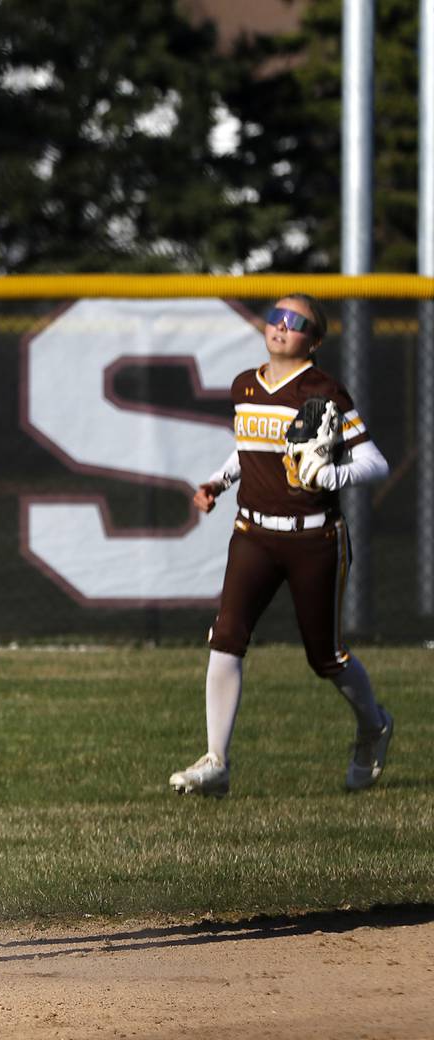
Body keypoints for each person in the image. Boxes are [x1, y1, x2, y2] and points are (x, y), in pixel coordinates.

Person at [169, 294, 392, 797]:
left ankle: (374, 726)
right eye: (275, 316)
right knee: (225, 636)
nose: (280, 326)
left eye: (295, 321)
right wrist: (218, 481)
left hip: (313, 536)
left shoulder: (323, 390)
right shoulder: (245, 385)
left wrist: (334, 472)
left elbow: (375, 462)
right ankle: (216, 762)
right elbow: (250, 448)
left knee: (325, 656)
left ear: (314, 339)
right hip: (253, 533)